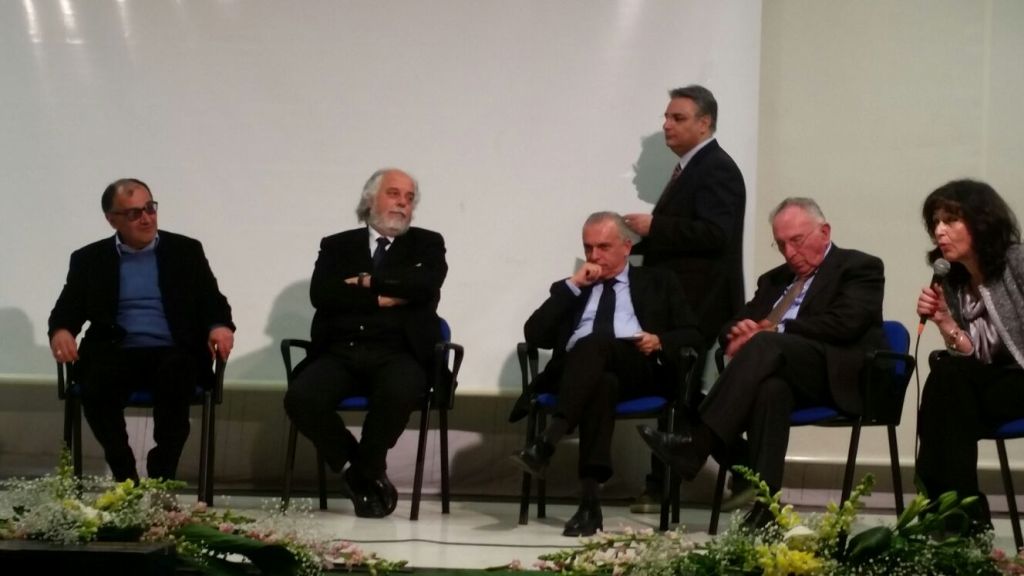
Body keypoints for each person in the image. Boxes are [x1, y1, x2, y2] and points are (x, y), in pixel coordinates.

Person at [638, 197, 885, 526]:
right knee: (772, 389)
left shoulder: (859, 268)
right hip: (782, 372)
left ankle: (697, 443)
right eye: (781, 244)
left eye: (797, 241)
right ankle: (765, 509)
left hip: (834, 373)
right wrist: (738, 332)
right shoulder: (774, 279)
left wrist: (775, 329)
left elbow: (846, 323)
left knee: (766, 343)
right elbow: (734, 323)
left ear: (824, 232)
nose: (789, 252)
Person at [509, 212, 703, 537]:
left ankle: (548, 441)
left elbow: (693, 334)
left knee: (597, 344)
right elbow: (535, 334)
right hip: (578, 374)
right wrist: (573, 285)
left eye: (603, 247)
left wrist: (660, 340)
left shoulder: (658, 281)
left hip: (638, 369)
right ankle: (589, 505)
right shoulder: (572, 289)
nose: (594, 255)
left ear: (626, 246)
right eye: (588, 247)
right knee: (601, 382)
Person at [283, 168, 447, 519]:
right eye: (394, 194)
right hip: (341, 350)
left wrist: (364, 282)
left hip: (400, 351)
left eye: (409, 198)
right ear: (371, 199)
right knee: (301, 397)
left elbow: (426, 286)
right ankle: (356, 467)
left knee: (401, 389)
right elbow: (323, 294)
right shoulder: (337, 245)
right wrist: (385, 296)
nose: (402, 204)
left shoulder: (427, 243)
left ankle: (366, 469)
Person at [48, 178, 235, 483]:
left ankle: (162, 478)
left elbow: (212, 301)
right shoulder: (90, 259)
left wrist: (219, 326)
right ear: (112, 220)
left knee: (177, 379)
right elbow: (66, 310)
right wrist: (61, 331)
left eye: (150, 208)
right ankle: (126, 478)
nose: (147, 218)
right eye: (135, 213)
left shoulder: (185, 251)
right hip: (115, 351)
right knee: (96, 386)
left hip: (173, 350)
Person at [623, 85, 747, 512]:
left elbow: (716, 235)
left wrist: (655, 227)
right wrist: (627, 244)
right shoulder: (692, 168)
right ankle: (730, 472)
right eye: (666, 117)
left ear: (704, 123)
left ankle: (669, 484)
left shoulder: (717, 169)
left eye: (677, 118)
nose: (666, 125)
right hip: (686, 301)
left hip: (702, 303)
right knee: (680, 392)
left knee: (682, 392)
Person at [915, 179, 1024, 532]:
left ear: (980, 221)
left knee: (949, 383)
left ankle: (950, 513)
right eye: (935, 222)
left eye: (950, 220)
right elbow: (973, 353)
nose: (939, 231)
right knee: (948, 375)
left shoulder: (1016, 261)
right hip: (990, 385)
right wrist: (945, 321)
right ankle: (956, 513)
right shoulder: (953, 279)